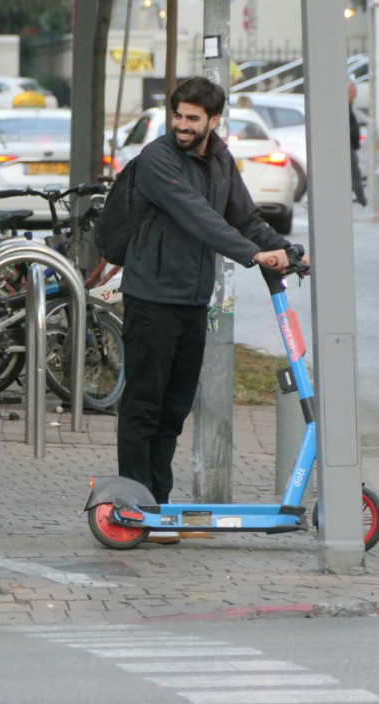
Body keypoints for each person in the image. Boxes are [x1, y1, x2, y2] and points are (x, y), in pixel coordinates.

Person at [116, 76, 304, 544]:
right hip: (151, 298)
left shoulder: (220, 159)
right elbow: (197, 216)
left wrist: (287, 252)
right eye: (177, 115)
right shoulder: (157, 159)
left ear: (214, 120)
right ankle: (135, 507)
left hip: (192, 301)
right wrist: (253, 255)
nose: (181, 125)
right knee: (144, 406)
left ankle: (157, 505)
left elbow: (245, 217)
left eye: (192, 118)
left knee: (173, 411)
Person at [349, 80, 367, 207]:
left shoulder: (349, 106)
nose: (356, 92)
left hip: (351, 146)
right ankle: (362, 199)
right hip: (348, 146)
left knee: (354, 173)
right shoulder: (345, 107)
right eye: (353, 89)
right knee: (355, 173)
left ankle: (361, 198)